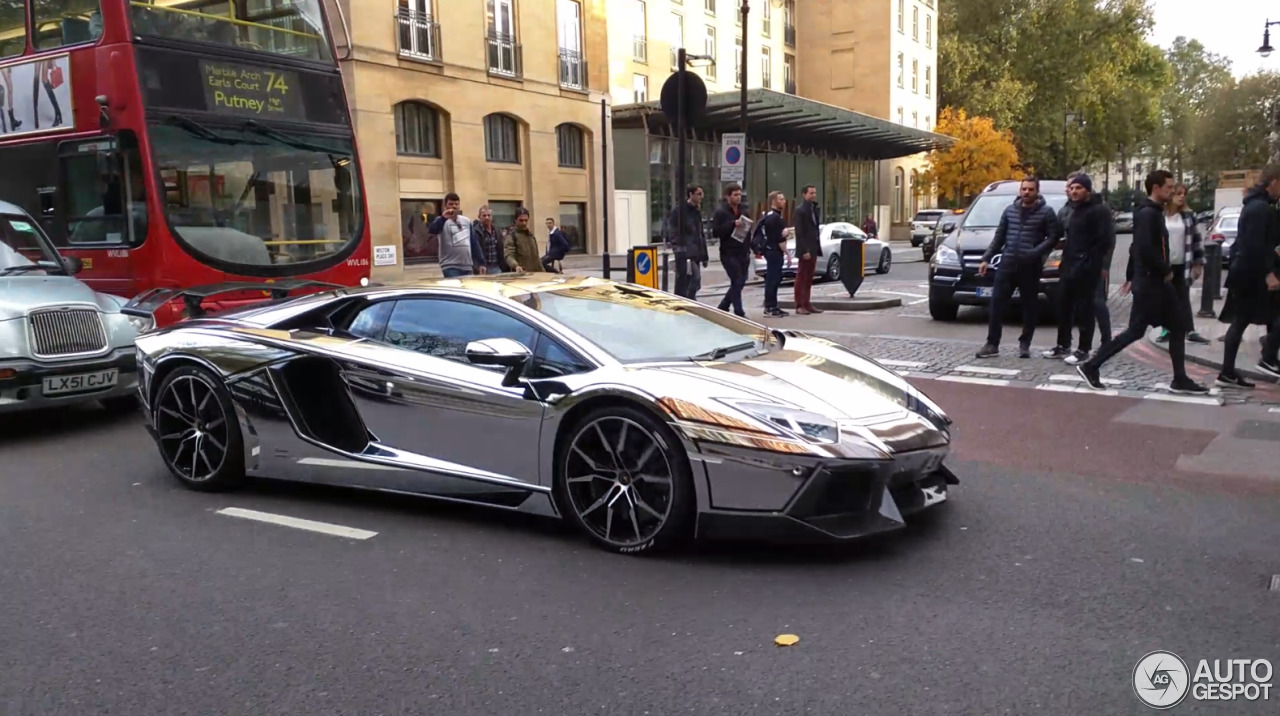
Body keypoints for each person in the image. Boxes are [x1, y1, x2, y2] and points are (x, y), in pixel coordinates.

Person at [1076, 170, 1209, 394]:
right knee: (1143, 330)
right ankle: (1091, 365)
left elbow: (1137, 247)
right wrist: (1165, 270)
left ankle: (1179, 379)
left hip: (1151, 282)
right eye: (1168, 187)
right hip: (1152, 283)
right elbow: (1143, 248)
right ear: (1156, 188)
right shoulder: (1149, 214)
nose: (1170, 191)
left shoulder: (1151, 212)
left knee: (1171, 327)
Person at [975, 176, 1063, 359]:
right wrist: (986, 258)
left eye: (1030, 189)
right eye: (1024, 189)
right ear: (1020, 191)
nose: (1026, 192)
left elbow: (1054, 237)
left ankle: (1025, 343)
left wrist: (1036, 252)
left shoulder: (1046, 212)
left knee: (1029, 306)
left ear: (1037, 191)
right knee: (996, 304)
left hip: (1030, 266)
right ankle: (992, 344)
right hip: (1007, 264)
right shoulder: (1009, 211)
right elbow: (999, 237)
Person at [1215, 164, 1280, 387]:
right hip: (1250, 273)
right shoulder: (1261, 209)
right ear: (1273, 182)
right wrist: (1269, 272)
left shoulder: (1256, 205)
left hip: (1244, 271)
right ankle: (1268, 358)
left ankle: (1229, 372)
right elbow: (1255, 245)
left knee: (1243, 321)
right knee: (1246, 320)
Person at [1043, 174, 1113, 364]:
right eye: (1072, 188)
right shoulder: (1074, 210)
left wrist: (1092, 263)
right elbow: (1060, 236)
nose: (1074, 191)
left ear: (1088, 191)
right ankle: (1063, 345)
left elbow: (1104, 241)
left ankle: (1083, 349)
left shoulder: (1099, 211)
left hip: (1086, 268)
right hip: (1069, 265)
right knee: (1064, 306)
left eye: (1078, 188)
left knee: (1085, 309)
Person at [1154, 183, 1210, 345]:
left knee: (1183, 297)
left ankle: (1190, 330)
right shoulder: (1160, 215)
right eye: (1178, 193)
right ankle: (1167, 330)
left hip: (1182, 264)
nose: (1182, 197)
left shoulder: (1189, 216)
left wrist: (1198, 263)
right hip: (1165, 265)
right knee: (1165, 298)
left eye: (1184, 194)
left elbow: (1197, 241)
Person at [711, 184, 751, 317]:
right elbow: (716, 232)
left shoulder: (743, 210)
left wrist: (751, 247)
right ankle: (739, 311)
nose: (738, 198)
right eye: (735, 195)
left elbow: (748, 231)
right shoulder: (721, 212)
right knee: (737, 279)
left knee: (741, 280)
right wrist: (732, 224)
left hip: (743, 251)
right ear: (728, 196)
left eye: (739, 195)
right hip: (729, 252)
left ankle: (724, 305)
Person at [665, 186, 708, 299]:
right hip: (686, 251)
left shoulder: (697, 211)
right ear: (690, 194)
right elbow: (673, 230)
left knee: (694, 282)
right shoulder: (680, 211)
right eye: (698, 194)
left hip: (695, 251)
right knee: (694, 278)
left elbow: (700, 233)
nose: (701, 197)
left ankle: (689, 299)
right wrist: (677, 246)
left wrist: (704, 255)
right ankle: (689, 299)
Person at [428, 192, 484, 278]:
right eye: (450, 204)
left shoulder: (466, 221)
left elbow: (474, 243)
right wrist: (443, 218)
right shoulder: (441, 221)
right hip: (450, 266)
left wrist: (481, 262)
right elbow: (432, 230)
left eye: (456, 204)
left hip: (467, 265)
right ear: (445, 206)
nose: (454, 206)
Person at [755, 191, 789, 317]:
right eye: (781, 199)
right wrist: (787, 253)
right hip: (774, 251)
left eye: (783, 199)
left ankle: (773, 305)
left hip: (770, 250)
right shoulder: (776, 218)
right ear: (773, 201)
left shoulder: (768, 216)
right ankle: (770, 307)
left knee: (773, 279)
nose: (784, 201)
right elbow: (778, 239)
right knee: (773, 280)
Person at [791, 185, 823, 315]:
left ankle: (807, 303)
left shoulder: (814, 209)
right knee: (802, 276)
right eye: (811, 193)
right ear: (804, 194)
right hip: (805, 249)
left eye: (814, 192)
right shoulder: (800, 210)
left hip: (814, 247)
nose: (813, 195)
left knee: (809, 277)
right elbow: (799, 232)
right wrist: (804, 250)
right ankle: (799, 305)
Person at [503, 207, 543, 273]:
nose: (524, 223)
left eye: (525, 220)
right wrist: (515, 266)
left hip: (535, 274)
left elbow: (537, 258)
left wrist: (543, 272)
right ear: (515, 220)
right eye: (521, 220)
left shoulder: (531, 236)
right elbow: (508, 255)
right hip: (521, 275)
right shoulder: (511, 236)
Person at [473, 206, 503, 275]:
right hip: (483, 268)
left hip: (497, 267)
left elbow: (501, 249)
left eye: (489, 215)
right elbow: (474, 252)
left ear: (492, 217)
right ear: (479, 217)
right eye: (484, 215)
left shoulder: (497, 231)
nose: (487, 217)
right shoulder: (475, 231)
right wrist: (477, 266)